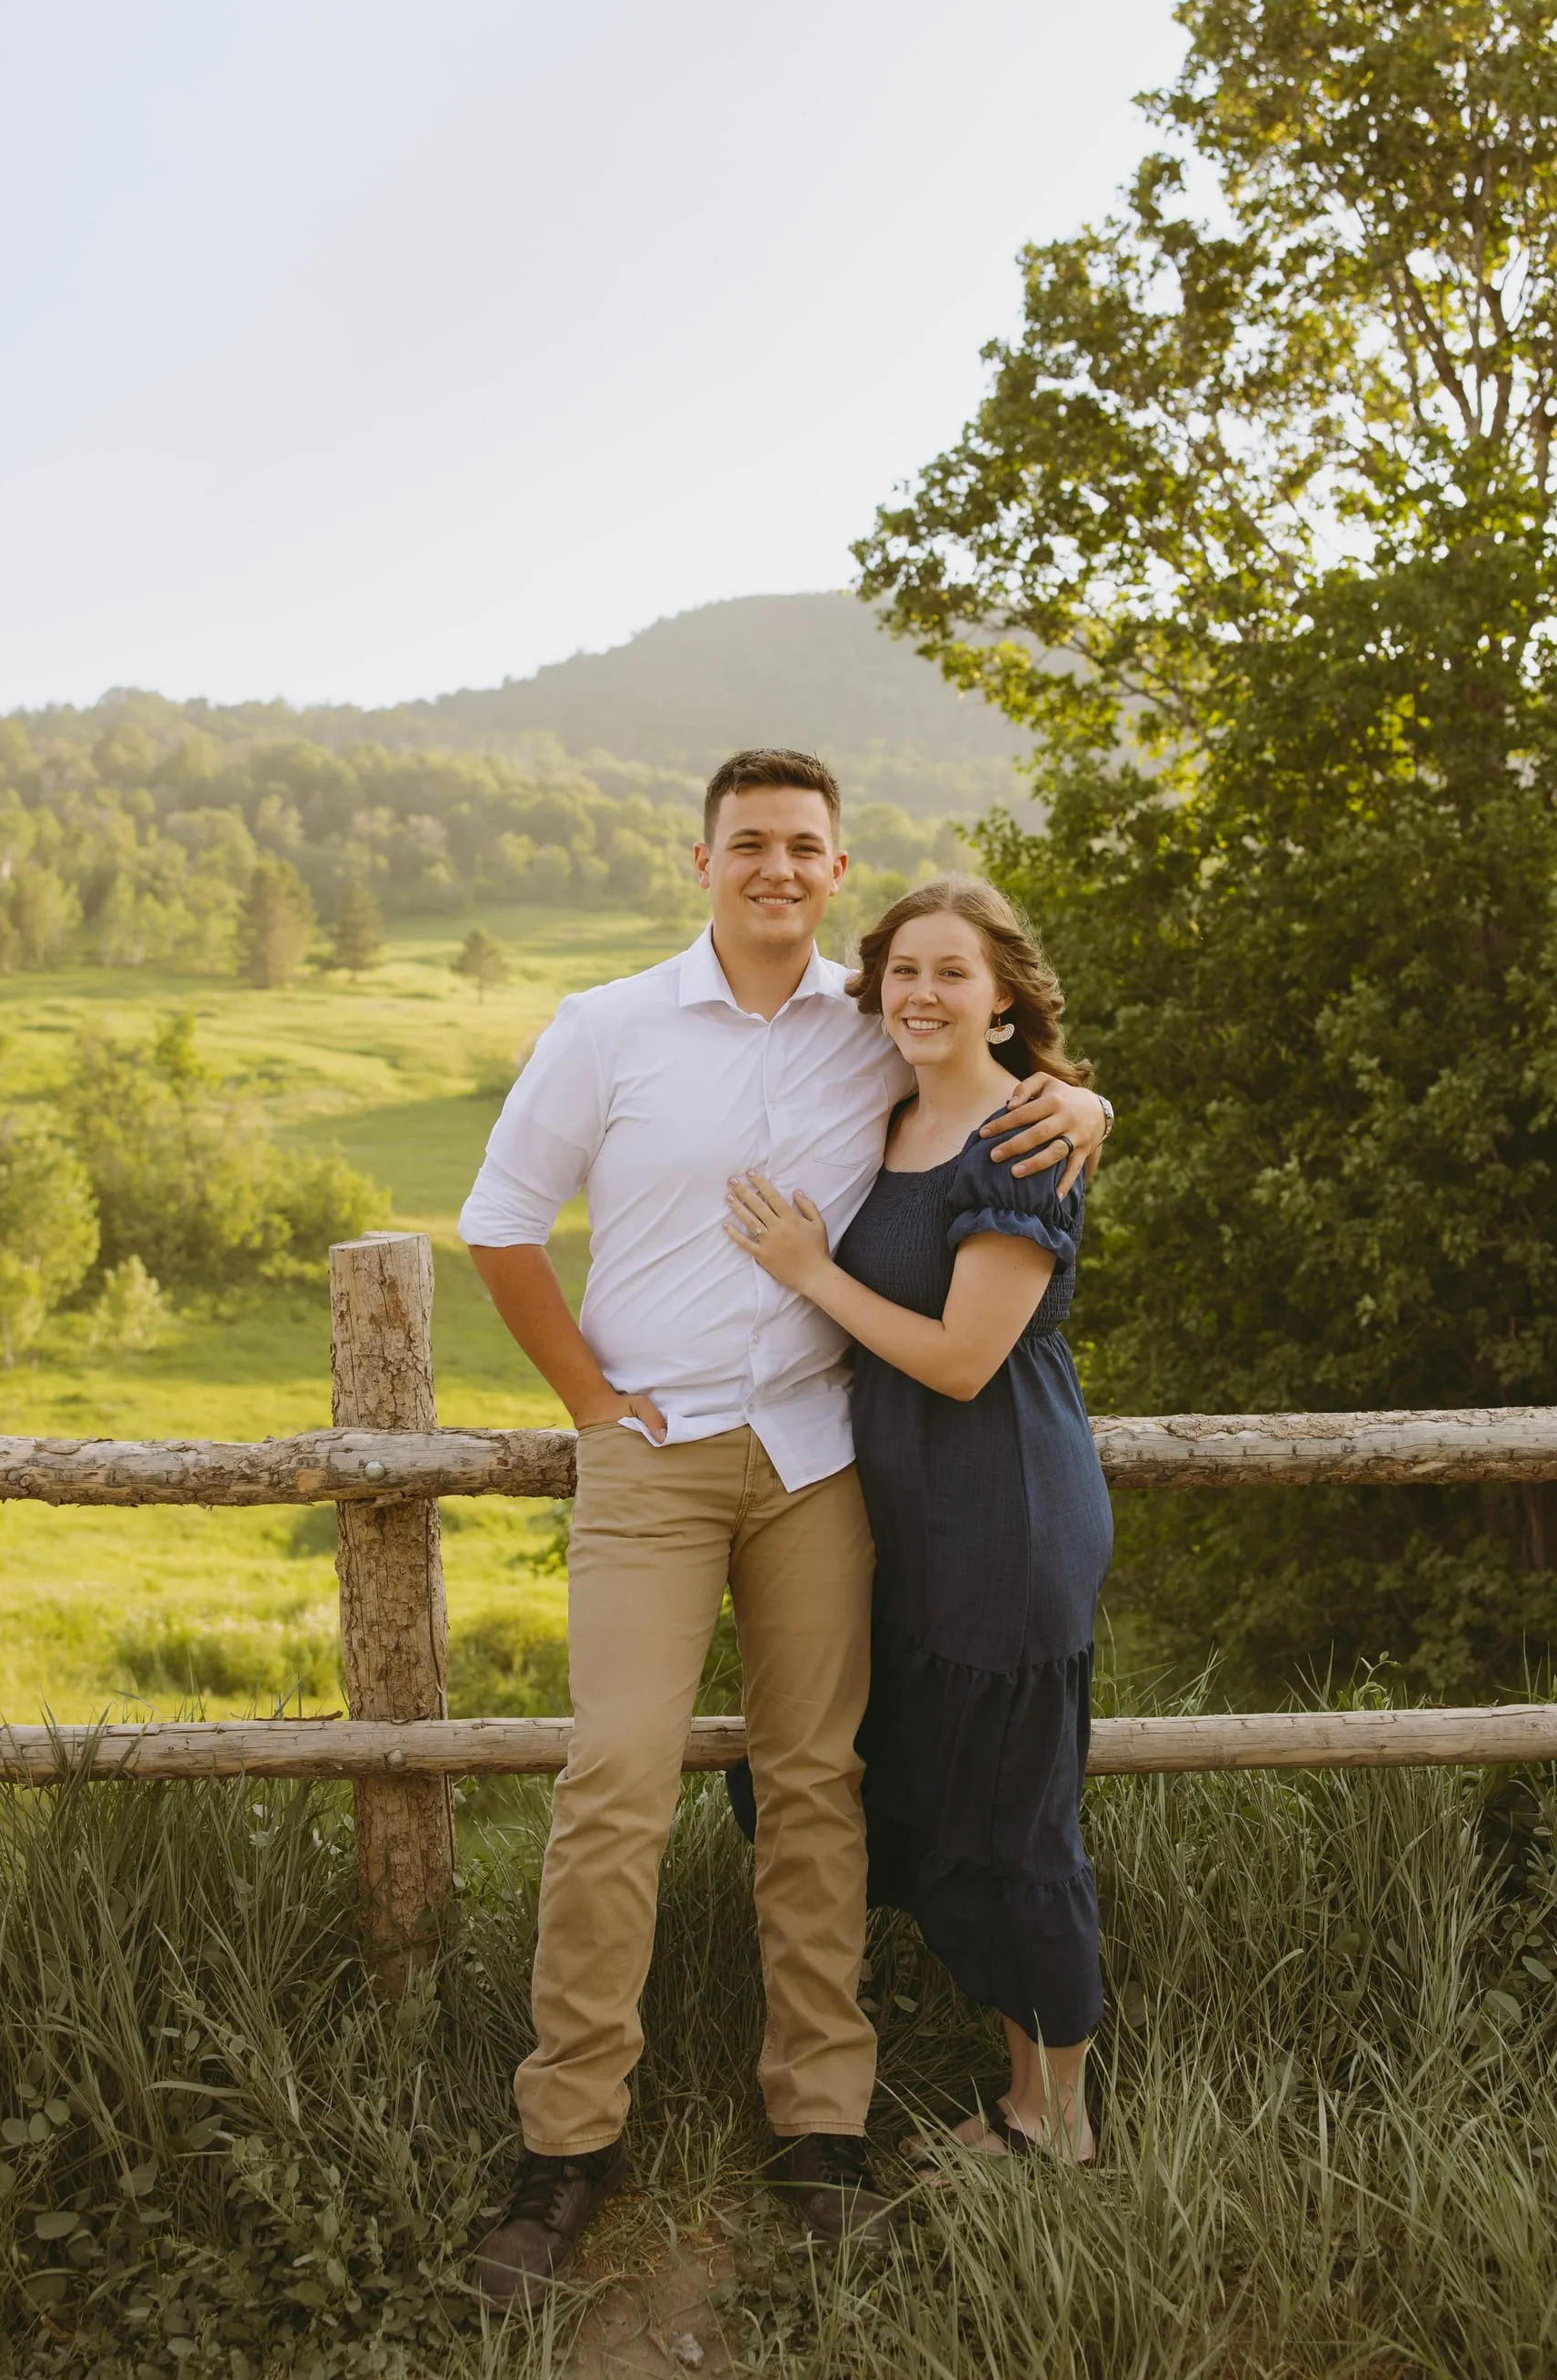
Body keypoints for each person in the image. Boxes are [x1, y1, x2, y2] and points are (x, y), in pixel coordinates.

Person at [457, 749, 1113, 2302]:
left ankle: (820, 2128)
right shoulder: (606, 1027)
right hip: (659, 1454)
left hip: (820, 1463)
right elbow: (497, 1224)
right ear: (702, 865)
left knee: (815, 1784)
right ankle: (566, 2147)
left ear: (835, 873)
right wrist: (589, 1403)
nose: (774, 868)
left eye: (803, 849)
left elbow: (992, 1077)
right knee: (615, 1778)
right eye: (746, 844)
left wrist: (1087, 1096)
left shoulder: (871, 1025)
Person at [724, 875, 1113, 2165]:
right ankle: (997, 2070)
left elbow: (960, 1360)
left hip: (1004, 1521)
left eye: (952, 973)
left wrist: (810, 1271)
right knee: (879, 1789)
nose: (923, 994)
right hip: (908, 1531)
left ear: (1004, 996)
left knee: (1016, 1827)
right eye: (901, 971)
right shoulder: (893, 1117)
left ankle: (1051, 2121)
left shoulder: (1022, 1141)